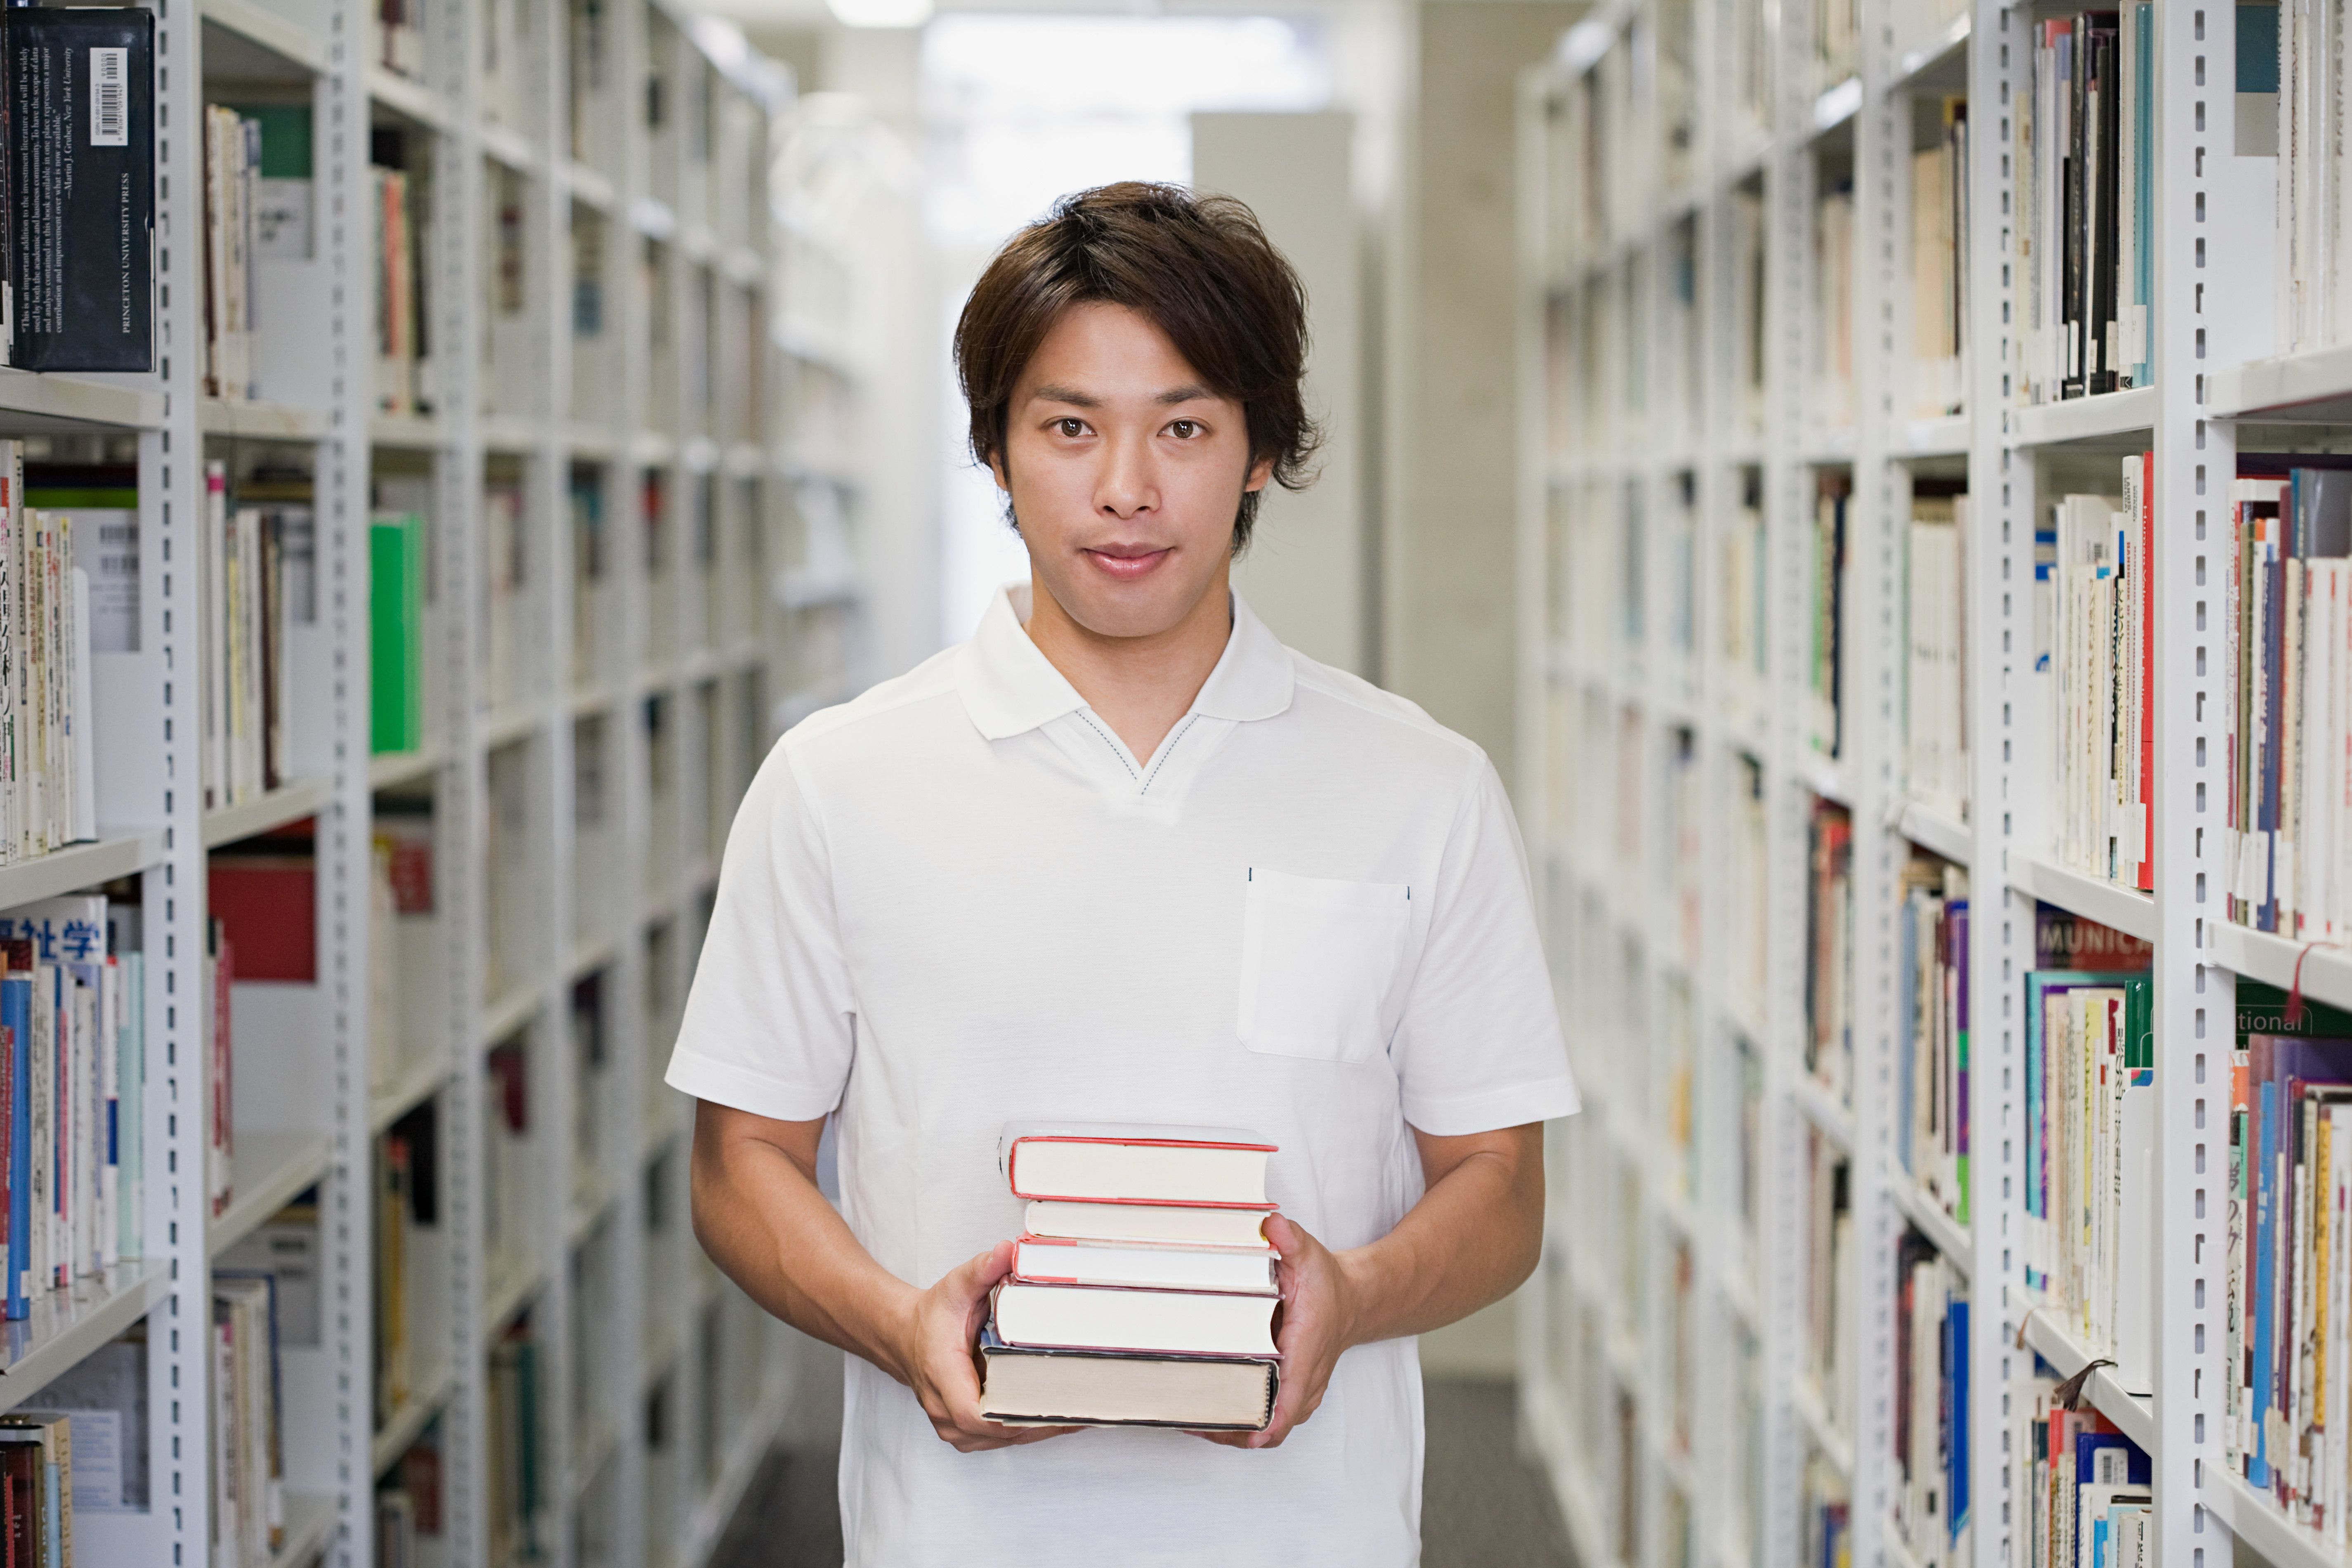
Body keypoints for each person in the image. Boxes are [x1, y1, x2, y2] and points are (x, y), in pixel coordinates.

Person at [669, 180, 1579, 1566]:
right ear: (995, 449)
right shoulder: (837, 783)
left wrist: (1357, 1290)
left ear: (1261, 448)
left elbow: (1498, 1185)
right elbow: (741, 1161)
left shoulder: (1422, 786)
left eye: (1185, 427)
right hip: (953, 1536)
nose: (1125, 490)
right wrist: (894, 1318)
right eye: (1069, 426)